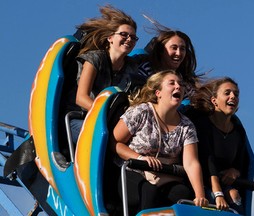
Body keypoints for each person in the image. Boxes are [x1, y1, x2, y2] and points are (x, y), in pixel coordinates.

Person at [110, 70, 208, 214]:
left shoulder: (187, 126)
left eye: (180, 84)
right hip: (134, 171)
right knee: (148, 190)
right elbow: (114, 142)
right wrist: (140, 158)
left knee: (182, 193)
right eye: (172, 83)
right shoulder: (141, 112)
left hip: (163, 177)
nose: (178, 87)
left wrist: (200, 195)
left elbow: (191, 163)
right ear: (158, 93)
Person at [63, 5, 141, 143]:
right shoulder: (95, 58)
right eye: (124, 34)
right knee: (102, 136)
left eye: (133, 38)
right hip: (79, 118)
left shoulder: (132, 67)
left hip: (109, 122)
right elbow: (81, 98)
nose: (129, 39)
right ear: (110, 38)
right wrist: (106, 115)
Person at [185, 77, 247, 214]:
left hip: (223, 183)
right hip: (201, 181)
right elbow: (208, 161)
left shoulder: (238, 129)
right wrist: (218, 193)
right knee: (212, 198)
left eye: (236, 94)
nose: (233, 97)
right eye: (227, 93)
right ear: (214, 101)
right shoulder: (203, 124)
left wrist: (235, 171)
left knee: (234, 195)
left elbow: (241, 162)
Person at [133, 18, 200, 98]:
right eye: (174, 48)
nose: (178, 53)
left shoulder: (186, 82)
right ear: (161, 50)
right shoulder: (146, 70)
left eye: (182, 49)